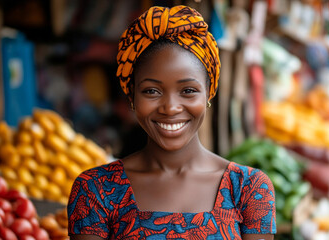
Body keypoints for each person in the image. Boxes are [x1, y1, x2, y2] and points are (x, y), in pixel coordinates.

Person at [67, 5, 276, 240]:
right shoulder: (96, 190)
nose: (170, 107)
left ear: (209, 94)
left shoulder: (249, 189)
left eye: (188, 90)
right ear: (131, 96)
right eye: (152, 91)